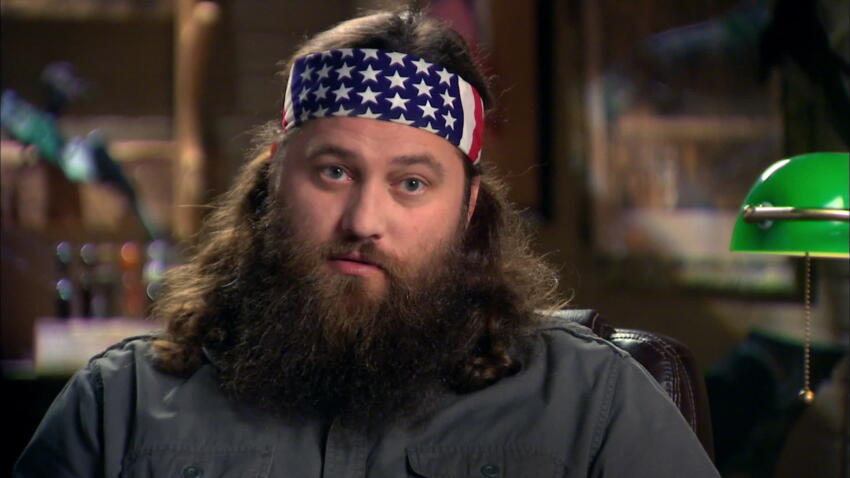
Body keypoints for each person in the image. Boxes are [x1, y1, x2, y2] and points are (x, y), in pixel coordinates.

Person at [15, 9, 719, 478]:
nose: (363, 220)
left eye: (411, 183)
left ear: (468, 209)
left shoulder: (590, 401)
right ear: (273, 178)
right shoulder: (122, 404)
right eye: (334, 172)